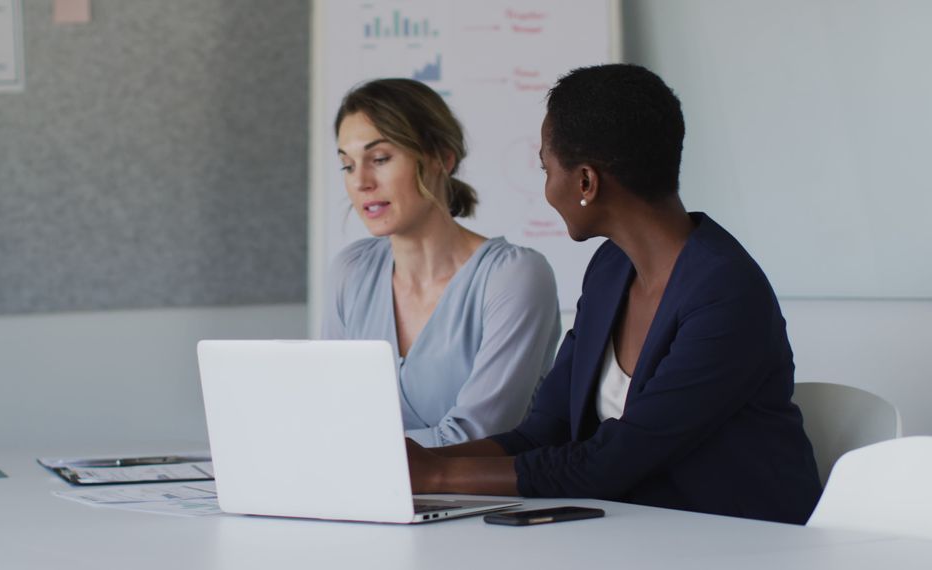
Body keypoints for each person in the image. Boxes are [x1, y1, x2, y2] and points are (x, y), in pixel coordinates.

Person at [405, 64, 823, 524]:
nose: (546, 186)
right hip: (636, 531)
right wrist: (422, 465)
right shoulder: (610, 270)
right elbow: (546, 432)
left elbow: (608, 463)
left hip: (743, 541)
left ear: (585, 181)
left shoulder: (725, 296)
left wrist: (439, 479)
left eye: (547, 169)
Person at [323, 78, 562, 447]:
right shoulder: (350, 272)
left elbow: (478, 438)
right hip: (368, 499)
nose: (361, 182)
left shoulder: (513, 277)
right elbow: (332, 417)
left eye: (380, 159)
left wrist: (351, 449)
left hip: (489, 502)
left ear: (443, 158)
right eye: (347, 166)